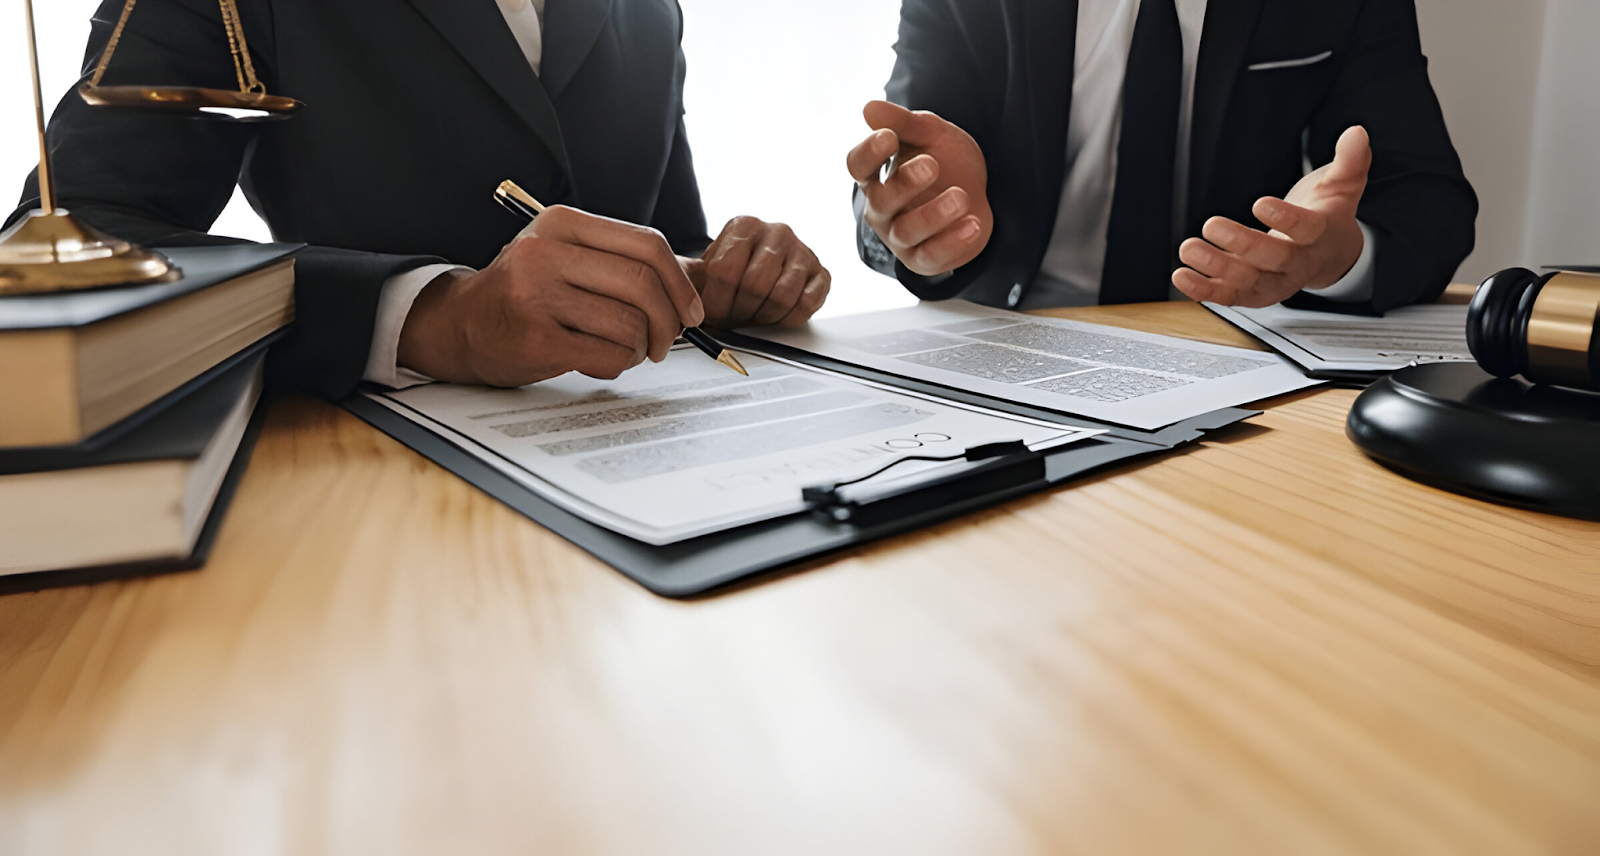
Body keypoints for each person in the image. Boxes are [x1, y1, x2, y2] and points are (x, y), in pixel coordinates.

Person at [8, 0, 829, 397]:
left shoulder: (649, 11)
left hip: (649, 505)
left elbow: (666, 234)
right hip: (351, 506)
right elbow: (76, 241)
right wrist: (434, 317)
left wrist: (717, 275)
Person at [846, 0, 1476, 314]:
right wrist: (924, 220)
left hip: (1229, 355)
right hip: (1010, 340)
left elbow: (1430, 202)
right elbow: (896, 179)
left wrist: (1337, 255)